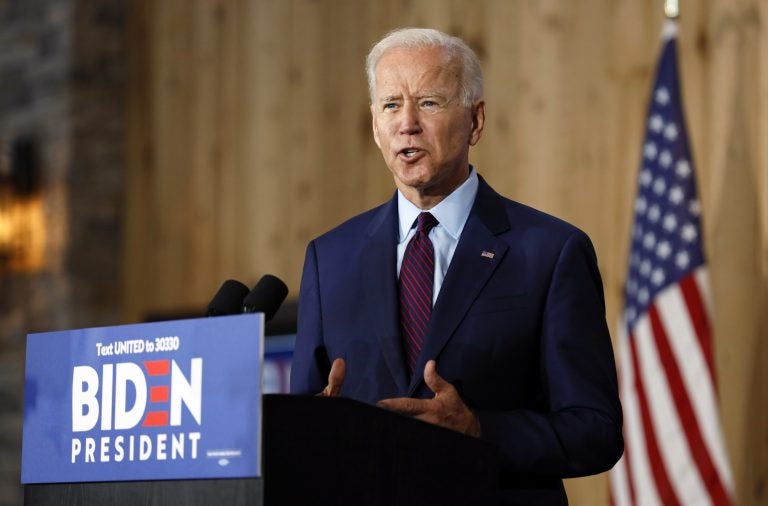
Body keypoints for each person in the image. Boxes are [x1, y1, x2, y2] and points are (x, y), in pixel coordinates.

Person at [290, 27, 623, 504]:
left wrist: (479, 430)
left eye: (428, 103)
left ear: (476, 120)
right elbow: (305, 419)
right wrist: (317, 430)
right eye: (390, 105)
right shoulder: (330, 258)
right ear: (375, 126)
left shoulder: (550, 253)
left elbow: (595, 431)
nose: (407, 123)